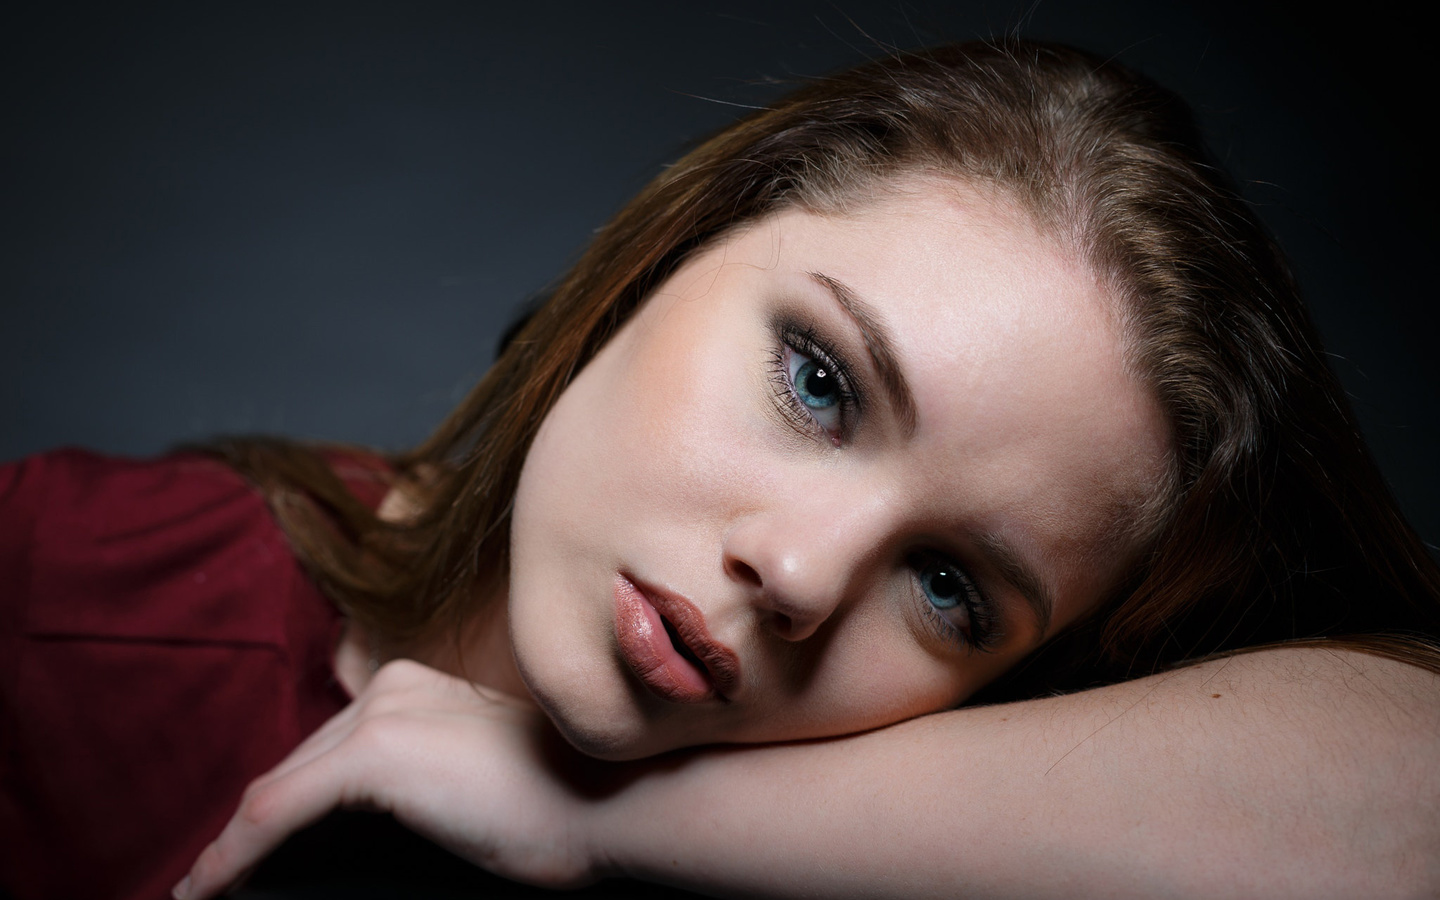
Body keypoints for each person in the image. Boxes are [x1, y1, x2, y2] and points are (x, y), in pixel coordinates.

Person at [3, 39, 1436, 899]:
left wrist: (577, 804)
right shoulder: (77, 598)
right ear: (661, 262)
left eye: (950, 587)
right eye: (820, 382)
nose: (803, 572)